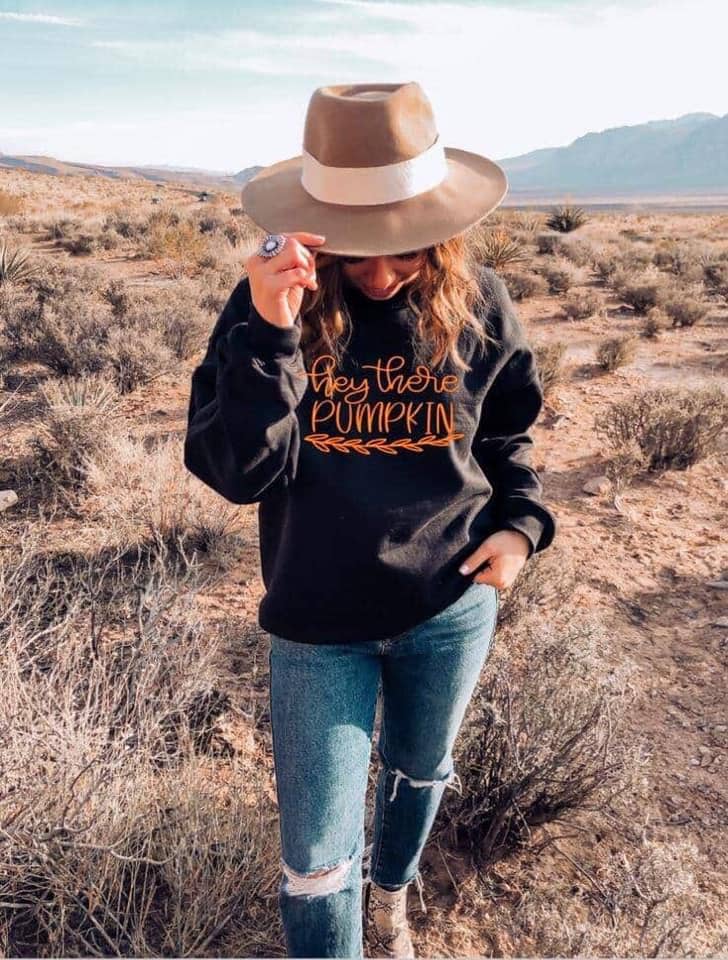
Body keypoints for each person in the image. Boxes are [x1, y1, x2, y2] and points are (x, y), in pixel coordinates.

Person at [184, 81, 557, 959]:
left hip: (450, 605)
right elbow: (238, 473)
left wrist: (520, 528)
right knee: (316, 860)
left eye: (406, 250)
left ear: (441, 230)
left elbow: (507, 434)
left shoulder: (480, 301)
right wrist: (272, 335)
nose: (382, 276)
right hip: (318, 623)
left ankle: (391, 895)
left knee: (422, 773)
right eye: (356, 254)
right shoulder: (268, 304)